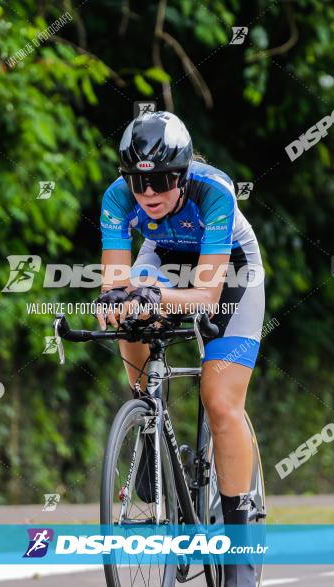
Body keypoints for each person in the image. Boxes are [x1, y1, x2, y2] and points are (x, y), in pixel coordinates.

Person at [95, 110, 265, 586]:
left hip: (229, 272)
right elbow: (114, 284)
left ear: (184, 173)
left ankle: (240, 556)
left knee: (220, 401)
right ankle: (149, 417)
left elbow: (207, 295)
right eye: (137, 183)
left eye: (163, 181)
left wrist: (152, 295)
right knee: (125, 309)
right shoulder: (116, 197)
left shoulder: (214, 192)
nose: (148, 194)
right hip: (164, 259)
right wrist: (116, 301)